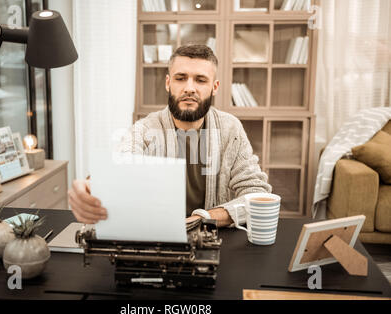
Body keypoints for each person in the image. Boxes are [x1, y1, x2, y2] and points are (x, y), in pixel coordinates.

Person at [69, 44, 272, 228]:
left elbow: (257, 194)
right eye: (180, 78)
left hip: (212, 239)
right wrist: (91, 188)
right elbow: (120, 167)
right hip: (158, 238)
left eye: (201, 80)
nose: (189, 88)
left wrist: (203, 218)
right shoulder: (145, 129)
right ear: (168, 83)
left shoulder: (231, 129)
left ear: (214, 87)